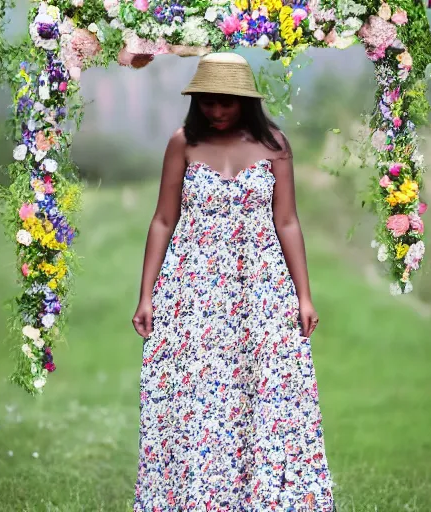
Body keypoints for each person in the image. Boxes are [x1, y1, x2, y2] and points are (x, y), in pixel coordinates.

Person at [132, 52, 336, 511]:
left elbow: (287, 222)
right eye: (207, 102)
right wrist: (146, 294)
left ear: (245, 101)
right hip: (193, 290)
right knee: (198, 396)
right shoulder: (182, 143)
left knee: (262, 390)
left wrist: (304, 295)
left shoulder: (275, 145)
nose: (216, 111)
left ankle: (266, 499)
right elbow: (164, 219)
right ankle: (196, 498)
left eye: (225, 103)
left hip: (259, 290)